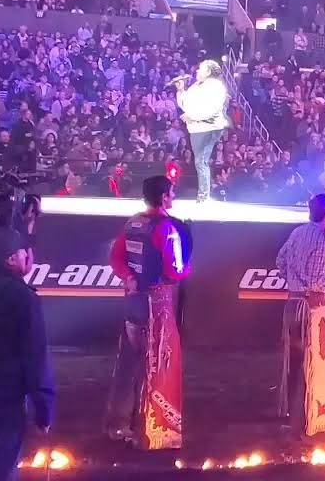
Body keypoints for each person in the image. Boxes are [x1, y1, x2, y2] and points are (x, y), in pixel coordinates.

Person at [102, 175, 193, 449]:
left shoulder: (133, 222)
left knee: (128, 363)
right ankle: (152, 428)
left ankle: (117, 425)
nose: (173, 197)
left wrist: (128, 276)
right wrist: (188, 267)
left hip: (133, 302)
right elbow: (175, 270)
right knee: (158, 364)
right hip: (159, 303)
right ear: (164, 196)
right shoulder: (166, 228)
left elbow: (115, 256)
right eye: (172, 193)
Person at [275, 194, 325, 440]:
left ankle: (292, 413)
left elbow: (280, 261)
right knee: (313, 360)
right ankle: (308, 414)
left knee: (295, 360)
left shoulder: (298, 232)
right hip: (310, 306)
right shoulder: (321, 242)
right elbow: (314, 280)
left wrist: (292, 282)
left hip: (292, 303)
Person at [0, 227, 55, 481]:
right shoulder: (22, 298)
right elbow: (35, 359)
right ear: (11, 259)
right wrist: (44, 410)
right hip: (3, 405)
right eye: (24, 252)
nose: (30, 257)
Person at [175, 60, 230, 203]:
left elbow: (212, 108)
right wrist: (181, 90)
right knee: (200, 161)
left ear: (208, 72)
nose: (197, 71)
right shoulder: (195, 86)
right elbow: (185, 104)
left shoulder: (216, 87)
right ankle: (203, 194)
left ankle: (204, 195)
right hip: (197, 128)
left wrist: (192, 115)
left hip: (210, 127)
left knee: (201, 160)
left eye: (201, 69)